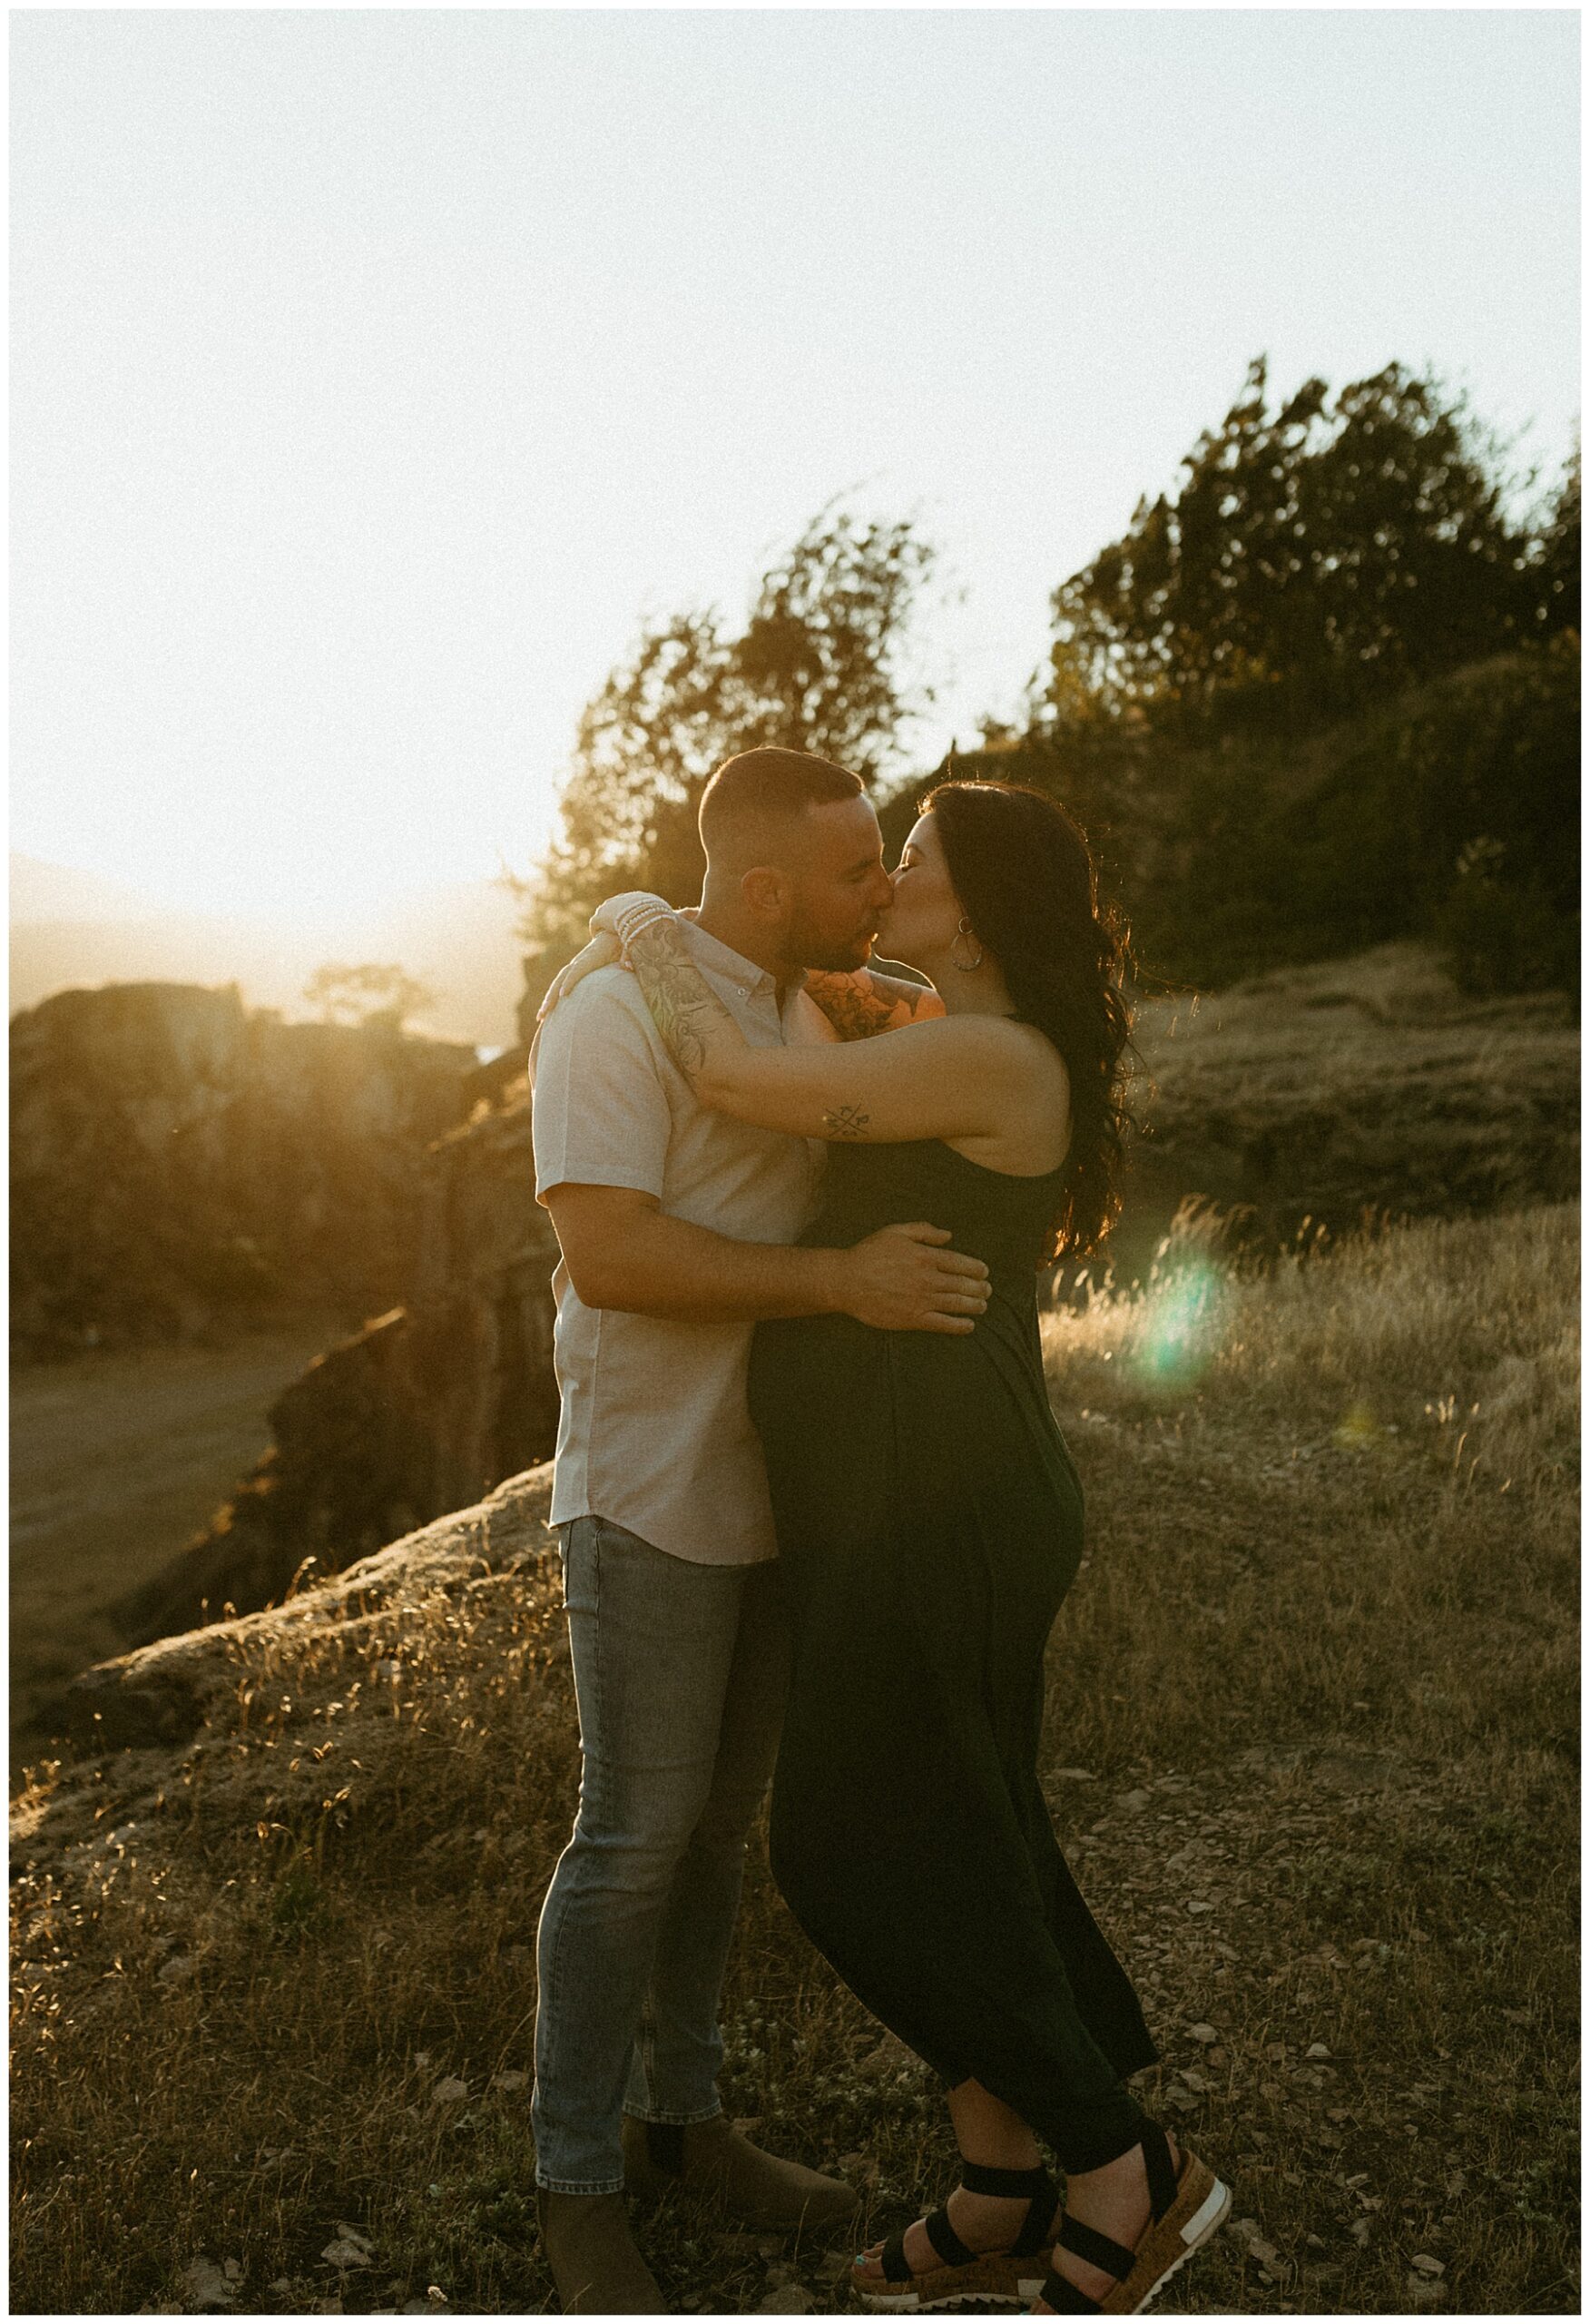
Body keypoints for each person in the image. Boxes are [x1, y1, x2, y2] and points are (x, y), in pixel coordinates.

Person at [572, 778, 1232, 2318]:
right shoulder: (942, 1025)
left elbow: (729, 1072)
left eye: (910, 861)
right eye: (876, 861)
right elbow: (819, 992)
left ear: (980, 903)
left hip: (946, 1503)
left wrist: (625, 922)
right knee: (971, 1832)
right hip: (904, 1494)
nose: (886, 882)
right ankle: (1003, 2187)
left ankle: (1121, 2162)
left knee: (845, 1853)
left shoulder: (991, 1056)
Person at [526, 746, 996, 2315]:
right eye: (860, 869)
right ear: (770, 881)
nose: (883, 890)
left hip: (776, 1484)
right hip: (651, 1484)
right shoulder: (609, 1016)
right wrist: (839, 1284)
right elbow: (608, 1255)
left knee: (720, 1832)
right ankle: (575, 2181)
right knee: (633, 1836)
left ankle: (684, 2126)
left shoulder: (814, 995)